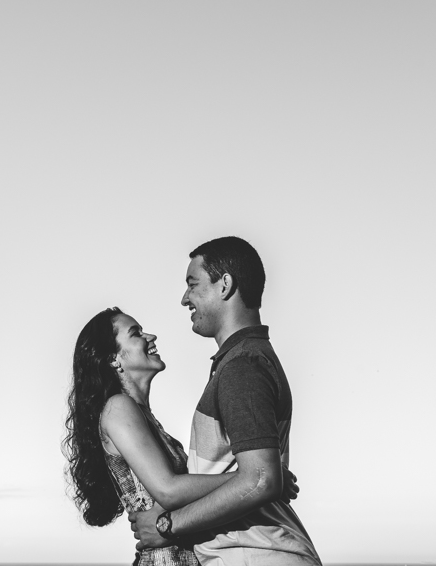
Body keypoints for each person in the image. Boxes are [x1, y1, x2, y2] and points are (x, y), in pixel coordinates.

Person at [129, 236, 321, 565]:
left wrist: (168, 525)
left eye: (193, 284)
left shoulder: (242, 366)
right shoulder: (243, 361)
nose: (184, 299)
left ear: (225, 285)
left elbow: (260, 479)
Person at [64, 306, 299, 566]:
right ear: (112, 359)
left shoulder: (143, 416)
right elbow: (169, 490)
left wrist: (260, 480)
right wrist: (258, 478)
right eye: (136, 333)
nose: (150, 337)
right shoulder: (118, 407)